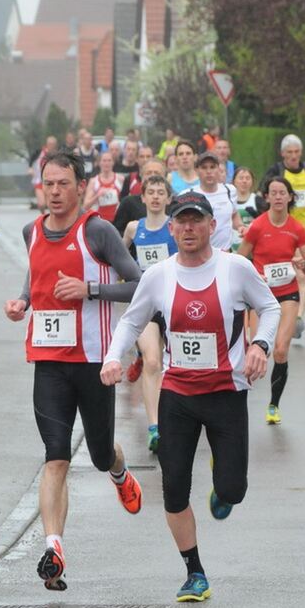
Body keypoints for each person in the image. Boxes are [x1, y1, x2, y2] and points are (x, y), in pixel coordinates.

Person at [101, 191, 280, 602]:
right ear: (171, 227)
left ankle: (222, 483)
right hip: (177, 395)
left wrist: (261, 346)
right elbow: (131, 322)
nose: (187, 228)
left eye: (195, 220)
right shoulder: (158, 276)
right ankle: (194, 573)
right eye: (181, 221)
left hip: (226, 393)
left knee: (233, 491)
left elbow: (269, 308)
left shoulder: (236, 269)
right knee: (175, 487)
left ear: (210, 226)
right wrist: (113, 356)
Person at [4, 151, 143, 592]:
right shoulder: (31, 231)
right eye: (50, 184)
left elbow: (138, 282)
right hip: (48, 363)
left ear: (81, 187)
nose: (56, 191)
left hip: (92, 364)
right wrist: (22, 302)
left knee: (100, 455)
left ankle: (119, 471)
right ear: (41, 186)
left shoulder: (97, 232)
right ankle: (54, 547)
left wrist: (90, 289)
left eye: (64, 183)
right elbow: (35, 276)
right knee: (56, 456)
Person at [239, 176, 305, 424]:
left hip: (287, 294)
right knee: (255, 350)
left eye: (283, 192)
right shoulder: (258, 227)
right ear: (267, 197)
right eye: (274, 192)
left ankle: (273, 405)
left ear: (290, 197)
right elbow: (239, 260)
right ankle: (238, 403)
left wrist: (303, 264)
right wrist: (255, 273)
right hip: (260, 296)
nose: (279, 196)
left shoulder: (296, 229)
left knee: (281, 350)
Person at [123, 175, 177, 452]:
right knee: (154, 363)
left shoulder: (176, 227)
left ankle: (182, 416)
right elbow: (119, 259)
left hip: (174, 303)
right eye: (150, 192)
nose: (155, 197)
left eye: (161, 192)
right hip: (146, 304)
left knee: (176, 364)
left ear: (168, 199)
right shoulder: (134, 229)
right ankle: (155, 428)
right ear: (142, 198)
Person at [262, 134, 305, 338]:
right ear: (283, 154)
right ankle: (279, 309)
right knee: (282, 272)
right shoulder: (277, 171)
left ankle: (297, 317)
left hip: (303, 230)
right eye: (289, 153)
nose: (293, 156)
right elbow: (264, 193)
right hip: (281, 229)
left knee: (302, 273)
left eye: (297, 152)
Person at [188, 152, 242, 251]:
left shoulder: (230, 191)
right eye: (204, 167)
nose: (209, 172)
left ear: (218, 169)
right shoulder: (189, 194)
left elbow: (234, 214)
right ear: (196, 170)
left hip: (225, 252)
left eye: (212, 167)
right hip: (199, 254)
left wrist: (240, 227)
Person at [113, 159, 166, 236]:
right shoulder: (128, 203)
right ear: (141, 176)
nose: (152, 176)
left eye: (157, 173)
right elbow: (117, 233)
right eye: (148, 173)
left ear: (165, 177)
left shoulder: (172, 203)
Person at [83, 151, 124, 222]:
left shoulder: (120, 179)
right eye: (104, 161)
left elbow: (124, 199)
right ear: (100, 163)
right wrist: (97, 196)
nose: (107, 163)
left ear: (113, 162)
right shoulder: (94, 181)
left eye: (109, 160)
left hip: (116, 220)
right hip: (99, 220)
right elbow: (85, 206)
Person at [29, 136, 58, 213]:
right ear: (47, 144)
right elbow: (31, 159)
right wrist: (30, 168)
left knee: (51, 203)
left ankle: (52, 218)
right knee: (42, 204)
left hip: (53, 182)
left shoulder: (58, 155)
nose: (51, 146)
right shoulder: (39, 152)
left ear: (55, 145)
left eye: (53, 144)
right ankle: (43, 215)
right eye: (50, 144)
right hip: (40, 181)